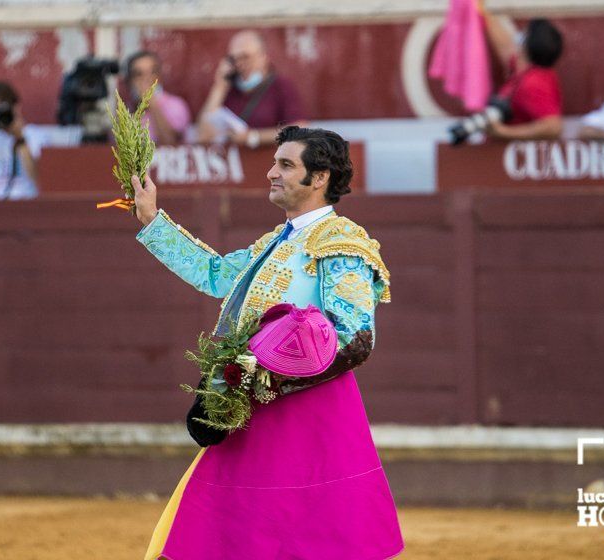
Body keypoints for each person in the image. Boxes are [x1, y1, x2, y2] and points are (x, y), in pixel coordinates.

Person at [132, 126, 403, 559]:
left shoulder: (342, 243)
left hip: (308, 411)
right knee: (239, 527)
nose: (271, 172)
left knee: (294, 529)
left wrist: (261, 382)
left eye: (286, 165)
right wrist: (151, 219)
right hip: (257, 407)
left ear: (319, 178)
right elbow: (216, 274)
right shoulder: (281, 241)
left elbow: (355, 339)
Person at [196, 30, 307, 148]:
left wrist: (253, 137)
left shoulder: (281, 86)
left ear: (263, 56)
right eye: (234, 59)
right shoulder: (228, 89)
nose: (240, 64)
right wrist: (219, 87)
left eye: (246, 57)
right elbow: (202, 135)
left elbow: (300, 129)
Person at [481, 8, 564, 140]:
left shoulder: (534, 82)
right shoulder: (523, 72)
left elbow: (553, 126)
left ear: (527, 45)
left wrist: (503, 132)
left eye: (524, 34)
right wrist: (481, 10)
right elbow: (505, 47)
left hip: (515, 156)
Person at [121, 50, 192, 145]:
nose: (146, 79)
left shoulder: (176, 105)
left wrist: (151, 101)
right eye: (139, 74)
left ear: (159, 76)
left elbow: (170, 143)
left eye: (152, 72)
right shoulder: (125, 111)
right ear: (129, 81)